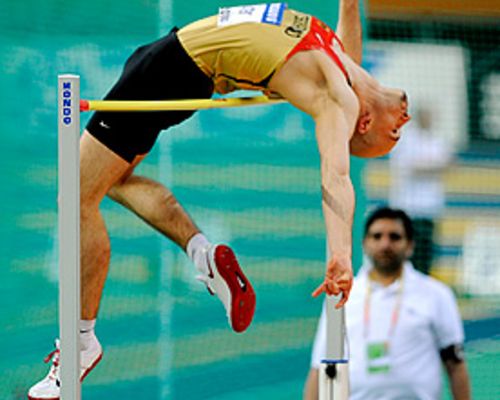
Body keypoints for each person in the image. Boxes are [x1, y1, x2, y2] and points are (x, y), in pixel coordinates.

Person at [29, 1, 411, 398]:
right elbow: (351, 35)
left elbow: (336, 176)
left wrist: (341, 254)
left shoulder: (338, 98)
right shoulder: (338, 60)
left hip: (173, 66)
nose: (405, 121)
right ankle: (203, 256)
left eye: (394, 134)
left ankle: (81, 342)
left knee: (74, 198)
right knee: (109, 180)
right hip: (175, 62)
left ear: (361, 122)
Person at [304, 207, 471, 400]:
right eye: (377, 236)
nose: (385, 244)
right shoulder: (341, 295)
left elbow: (456, 365)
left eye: (394, 237)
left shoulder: (436, 294)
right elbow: (319, 366)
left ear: (410, 245)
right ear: (364, 243)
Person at [389, 105, 453, 275]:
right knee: (406, 251)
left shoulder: (437, 140)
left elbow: (449, 164)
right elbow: (410, 167)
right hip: (409, 208)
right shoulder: (406, 140)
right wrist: (434, 166)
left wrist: (430, 166)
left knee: (426, 253)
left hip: (430, 208)